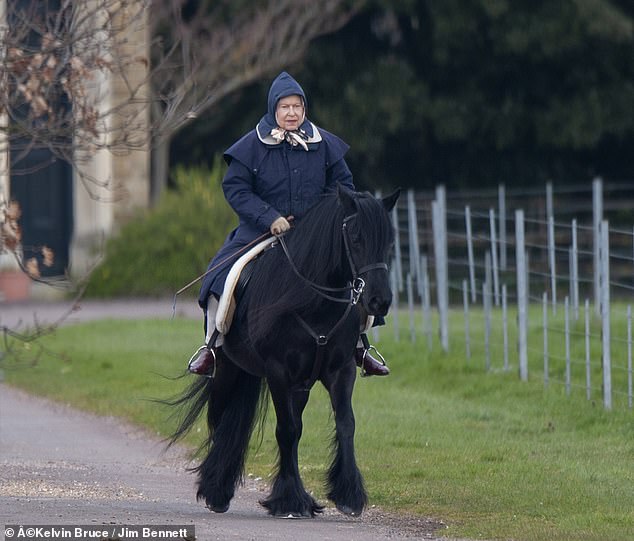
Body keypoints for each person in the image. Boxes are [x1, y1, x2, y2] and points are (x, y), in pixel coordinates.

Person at [188, 71, 389, 377]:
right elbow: (235, 189)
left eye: (297, 106)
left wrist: (322, 224)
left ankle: (360, 345)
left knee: (353, 277)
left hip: (315, 239)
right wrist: (269, 217)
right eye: (285, 107)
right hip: (260, 232)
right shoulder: (251, 145)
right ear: (274, 110)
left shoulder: (324, 144)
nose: (292, 113)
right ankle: (212, 347)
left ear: (304, 109)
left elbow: (344, 187)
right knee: (222, 278)